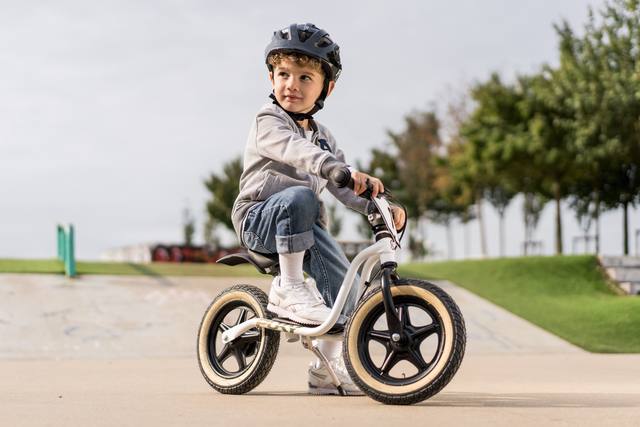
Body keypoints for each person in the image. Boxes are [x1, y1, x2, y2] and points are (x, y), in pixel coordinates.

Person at [231, 23, 405, 395]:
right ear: (273, 77)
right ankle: (289, 287)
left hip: (304, 228)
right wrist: (331, 167)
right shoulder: (269, 120)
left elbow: (344, 188)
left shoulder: (324, 137)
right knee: (302, 195)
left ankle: (325, 370)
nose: (291, 84)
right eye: (283, 74)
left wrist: (380, 203)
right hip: (258, 218)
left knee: (348, 289)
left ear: (327, 87)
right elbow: (297, 152)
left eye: (304, 76)